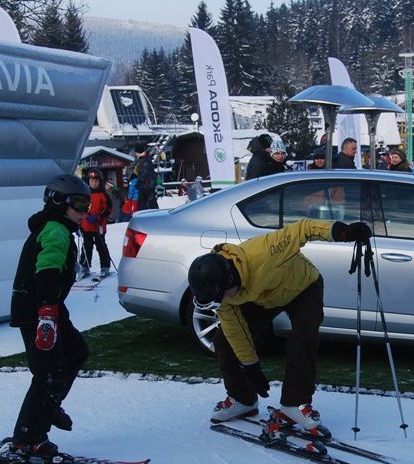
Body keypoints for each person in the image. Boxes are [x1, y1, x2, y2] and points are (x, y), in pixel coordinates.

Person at [188, 218, 372, 430]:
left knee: (304, 338)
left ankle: (294, 404)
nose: (222, 300)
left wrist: (342, 232)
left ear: (230, 279)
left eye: (223, 295)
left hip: (303, 287)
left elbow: (303, 229)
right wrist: (251, 366)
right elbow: (236, 330)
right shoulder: (223, 295)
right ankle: (242, 400)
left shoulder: (264, 252)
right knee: (224, 340)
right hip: (262, 297)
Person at [2, 174, 91, 464]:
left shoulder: (59, 228)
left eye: (86, 204)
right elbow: (47, 271)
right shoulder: (55, 230)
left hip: (49, 307)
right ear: (57, 202)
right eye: (78, 203)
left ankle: (48, 407)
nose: (83, 211)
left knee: (76, 352)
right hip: (38, 311)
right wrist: (47, 313)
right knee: (48, 374)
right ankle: (28, 437)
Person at [78, 168, 112, 280]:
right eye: (92, 181)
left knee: (101, 246)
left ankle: (105, 266)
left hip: (99, 226)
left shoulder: (103, 194)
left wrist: (99, 217)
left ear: (100, 182)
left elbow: (108, 208)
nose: (94, 183)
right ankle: (84, 267)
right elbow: (79, 208)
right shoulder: (84, 194)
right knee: (86, 247)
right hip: (86, 226)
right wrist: (80, 221)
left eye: (96, 181)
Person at [134, 145, 158, 210]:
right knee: (148, 202)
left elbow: (143, 173)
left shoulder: (144, 161)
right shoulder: (144, 160)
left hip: (146, 185)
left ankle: (154, 215)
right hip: (147, 185)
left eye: (136, 152)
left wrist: (139, 183)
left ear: (138, 152)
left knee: (146, 203)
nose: (135, 154)